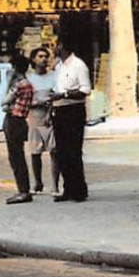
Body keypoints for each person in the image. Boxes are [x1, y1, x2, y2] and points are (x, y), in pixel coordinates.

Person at [51, 38, 93, 202]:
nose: (53, 48)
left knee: (73, 151)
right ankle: (68, 188)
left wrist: (65, 94)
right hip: (59, 109)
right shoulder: (59, 66)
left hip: (73, 110)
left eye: (56, 44)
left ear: (63, 46)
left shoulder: (78, 65)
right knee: (62, 152)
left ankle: (79, 190)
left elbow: (85, 90)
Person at [0, 53, 35, 204]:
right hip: (17, 120)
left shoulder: (21, 85)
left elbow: (4, 101)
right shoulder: (26, 84)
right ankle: (23, 189)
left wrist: (9, 83)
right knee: (16, 156)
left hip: (15, 121)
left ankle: (23, 191)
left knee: (16, 157)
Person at [25, 46, 59, 195]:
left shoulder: (54, 76)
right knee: (35, 152)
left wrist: (50, 109)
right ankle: (37, 183)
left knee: (54, 151)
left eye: (46, 56)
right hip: (34, 117)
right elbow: (24, 101)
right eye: (40, 56)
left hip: (50, 117)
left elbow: (57, 96)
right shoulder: (29, 79)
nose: (44, 59)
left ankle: (55, 185)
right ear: (33, 60)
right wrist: (37, 103)